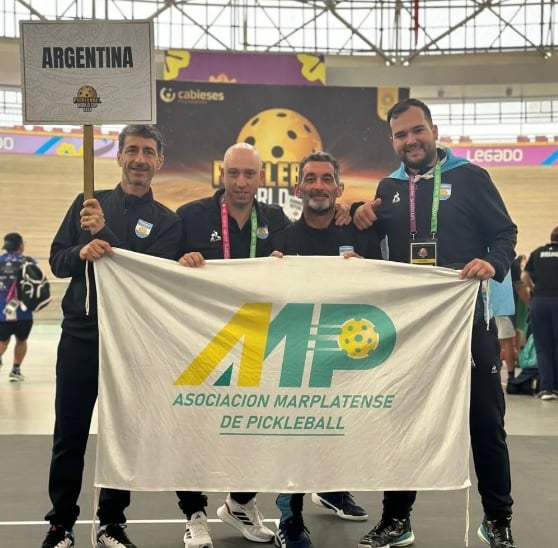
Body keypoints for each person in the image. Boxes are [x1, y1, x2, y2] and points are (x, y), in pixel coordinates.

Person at [352, 98, 518, 548]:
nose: (412, 140)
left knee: (485, 421)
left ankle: (498, 519)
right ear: (393, 141)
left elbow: (506, 233)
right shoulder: (387, 187)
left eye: (417, 130)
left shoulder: (470, 178)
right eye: (402, 134)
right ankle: (396, 520)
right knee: (403, 422)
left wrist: (492, 261)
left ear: (433, 129)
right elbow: (369, 252)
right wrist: (359, 218)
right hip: (411, 329)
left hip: (468, 320)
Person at [175, 143, 355, 548]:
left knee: (256, 426)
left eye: (249, 175)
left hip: (258, 342)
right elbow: (161, 271)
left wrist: (351, 209)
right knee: (197, 428)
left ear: (261, 178)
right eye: (234, 173)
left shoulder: (276, 221)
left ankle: (240, 502)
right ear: (221, 173)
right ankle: (194, 513)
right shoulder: (189, 217)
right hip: (203, 339)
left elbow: (304, 251)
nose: (241, 182)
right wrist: (179, 263)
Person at [40, 125, 182, 548]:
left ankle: (111, 524)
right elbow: (57, 262)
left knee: (124, 435)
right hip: (82, 336)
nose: (140, 159)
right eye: (132, 150)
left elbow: (147, 277)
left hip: (133, 343)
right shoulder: (87, 203)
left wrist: (104, 236)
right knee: (70, 435)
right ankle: (60, 523)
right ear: (118, 156)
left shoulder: (168, 222)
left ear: (160, 162)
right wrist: (80, 250)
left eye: (148, 152)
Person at [272, 151, 381, 548]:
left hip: (347, 355)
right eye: (311, 179)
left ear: (339, 187)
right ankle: (290, 519)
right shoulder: (282, 240)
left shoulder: (359, 234)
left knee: (342, 429)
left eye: (326, 179)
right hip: (297, 357)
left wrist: (364, 268)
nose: (319, 186)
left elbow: (384, 286)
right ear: (297, 188)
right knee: (294, 438)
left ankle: (334, 488)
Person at [521, 226, 558, 401]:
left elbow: (523, 278)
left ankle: (546, 389)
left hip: (540, 301)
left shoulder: (537, 253)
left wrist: (534, 289)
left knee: (542, 346)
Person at [0, 232, 34, 381]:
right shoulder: (28, 262)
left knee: (2, 340)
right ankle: (15, 370)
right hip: (23, 311)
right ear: (20, 245)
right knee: (21, 339)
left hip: (1, 311)